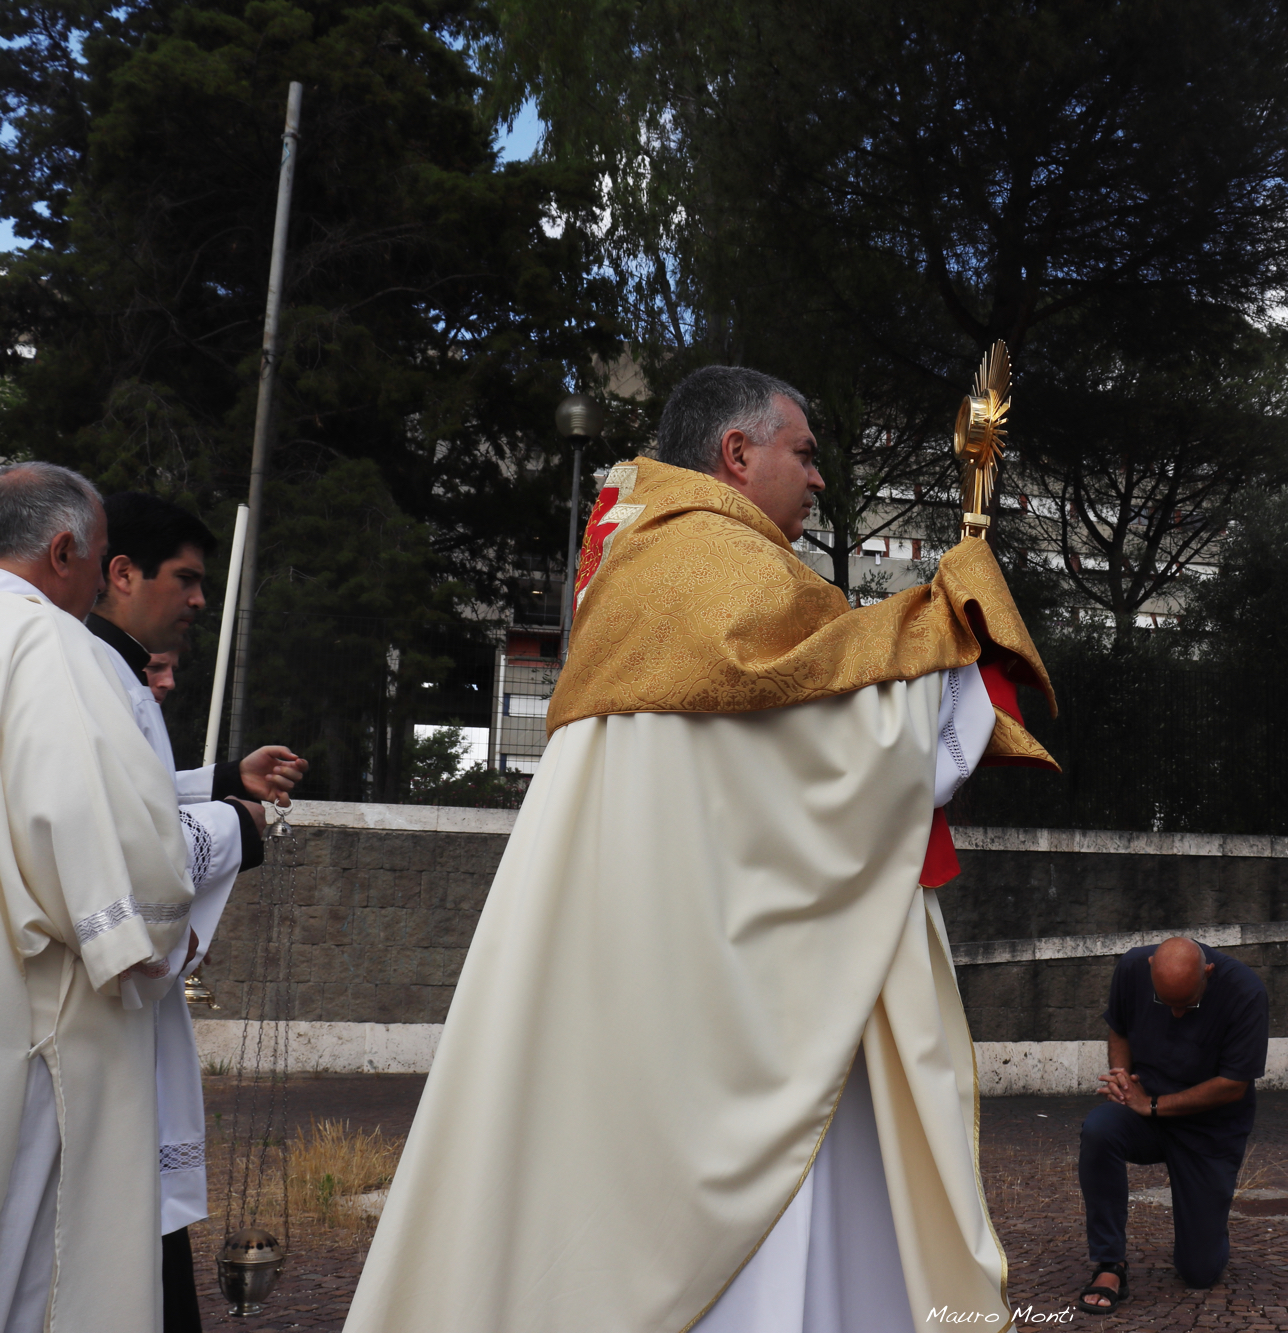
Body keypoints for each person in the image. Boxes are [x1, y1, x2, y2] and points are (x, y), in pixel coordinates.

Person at [345, 366, 1058, 1333]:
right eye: (804, 456)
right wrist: (961, 616)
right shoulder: (725, 567)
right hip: (735, 1003)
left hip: (641, 968)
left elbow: (754, 783)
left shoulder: (634, 565)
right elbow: (859, 755)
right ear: (736, 454)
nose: (818, 483)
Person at [87, 491, 307, 1333]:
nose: (199, 600)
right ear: (120, 572)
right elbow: (134, 844)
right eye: (185, 578)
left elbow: (131, 795)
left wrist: (220, 780)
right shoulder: (93, 676)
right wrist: (239, 827)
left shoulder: (113, 671)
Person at [0, 461, 195, 1331]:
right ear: (66, 548)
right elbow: (102, 830)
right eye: (101, 558)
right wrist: (154, 939)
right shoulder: (48, 642)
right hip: (41, 1013)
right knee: (36, 1261)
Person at [1078, 936, 1269, 1313]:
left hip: (1209, 1128)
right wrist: (1121, 1075)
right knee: (1099, 1130)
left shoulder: (1246, 992)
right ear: (1150, 968)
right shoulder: (1132, 968)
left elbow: (1233, 1086)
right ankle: (1109, 1263)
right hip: (1144, 1109)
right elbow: (1119, 1027)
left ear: (1208, 974)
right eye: (1167, 1004)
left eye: (1189, 1004)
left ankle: (1207, 1222)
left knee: (1199, 1272)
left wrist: (1152, 1104)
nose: (1178, 1015)